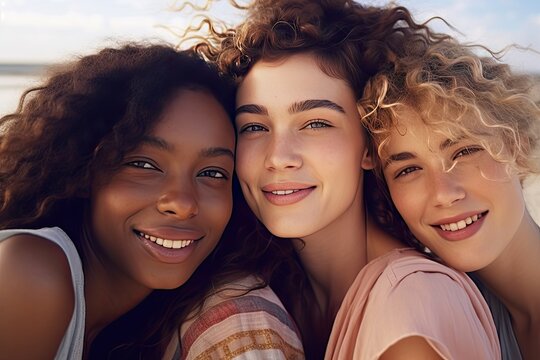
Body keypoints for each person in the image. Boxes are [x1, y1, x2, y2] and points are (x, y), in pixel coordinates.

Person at [192, 0, 501, 358]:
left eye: (316, 123)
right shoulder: (274, 290)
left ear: (369, 147)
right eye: (255, 127)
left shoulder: (411, 303)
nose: (278, 157)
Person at [0, 43, 303, 359]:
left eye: (212, 173)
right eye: (144, 165)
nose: (182, 203)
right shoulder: (32, 271)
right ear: (83, 169)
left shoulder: (140, 323)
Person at [359, 36, 540, 360]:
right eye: (408, 170)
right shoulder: (444, 317)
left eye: (465, 151)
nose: (443, 193)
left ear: (518, 143)